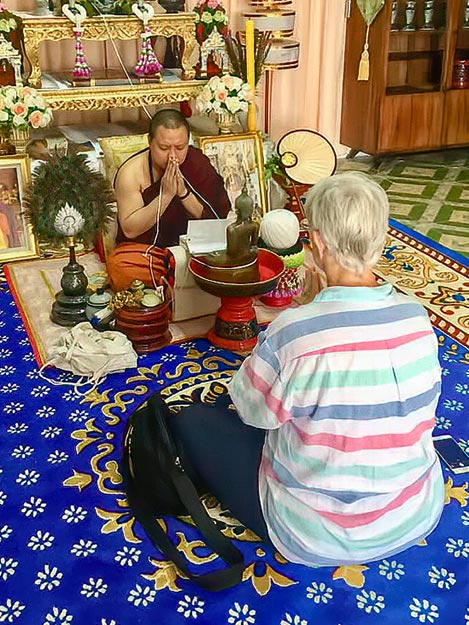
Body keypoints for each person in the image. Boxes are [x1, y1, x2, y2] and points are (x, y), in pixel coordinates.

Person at [167, 171, 444, 567]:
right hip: (413, 513)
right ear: (381, 240)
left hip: (311, 533)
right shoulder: (416, 319)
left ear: (315, 243)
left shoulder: (294, 333)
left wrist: (302, 314)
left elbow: (250, 410)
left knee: (194, 421)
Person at [106, 109, 231, 292]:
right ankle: (183, 274)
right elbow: (130, 229)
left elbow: (215, 221)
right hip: (153, 254)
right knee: (119, 265)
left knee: (232, 252)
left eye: (180, 148)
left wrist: (182, 193)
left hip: (192, 247)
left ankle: (179, 275)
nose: (173, 156)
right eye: (164, 148)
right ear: (150, 142)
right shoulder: (131, 173)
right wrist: (165, 196)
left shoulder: (197, 162)